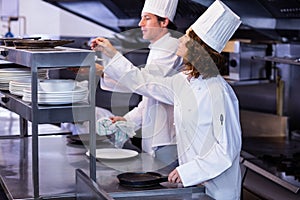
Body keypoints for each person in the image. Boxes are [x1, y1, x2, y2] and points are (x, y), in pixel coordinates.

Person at [91, 0, 242, 199]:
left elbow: (226, 150)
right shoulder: (185, 81)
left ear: (198, 47)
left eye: (187, 37)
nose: (180, 39)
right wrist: (112, 55)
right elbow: (144, 83)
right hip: (195, 184)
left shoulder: (219, 92)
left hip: (218, 190)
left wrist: (188, 171)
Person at [91, 0, 183, 166]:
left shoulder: (170, 46)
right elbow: (150, 96)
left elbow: (146, 85)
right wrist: (128, 120)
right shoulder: (158, 47)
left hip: (167, 139)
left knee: (167, 186)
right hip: (157, 136)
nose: (140, 24)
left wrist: (112, 56)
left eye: (147, 18)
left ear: (164, 22)